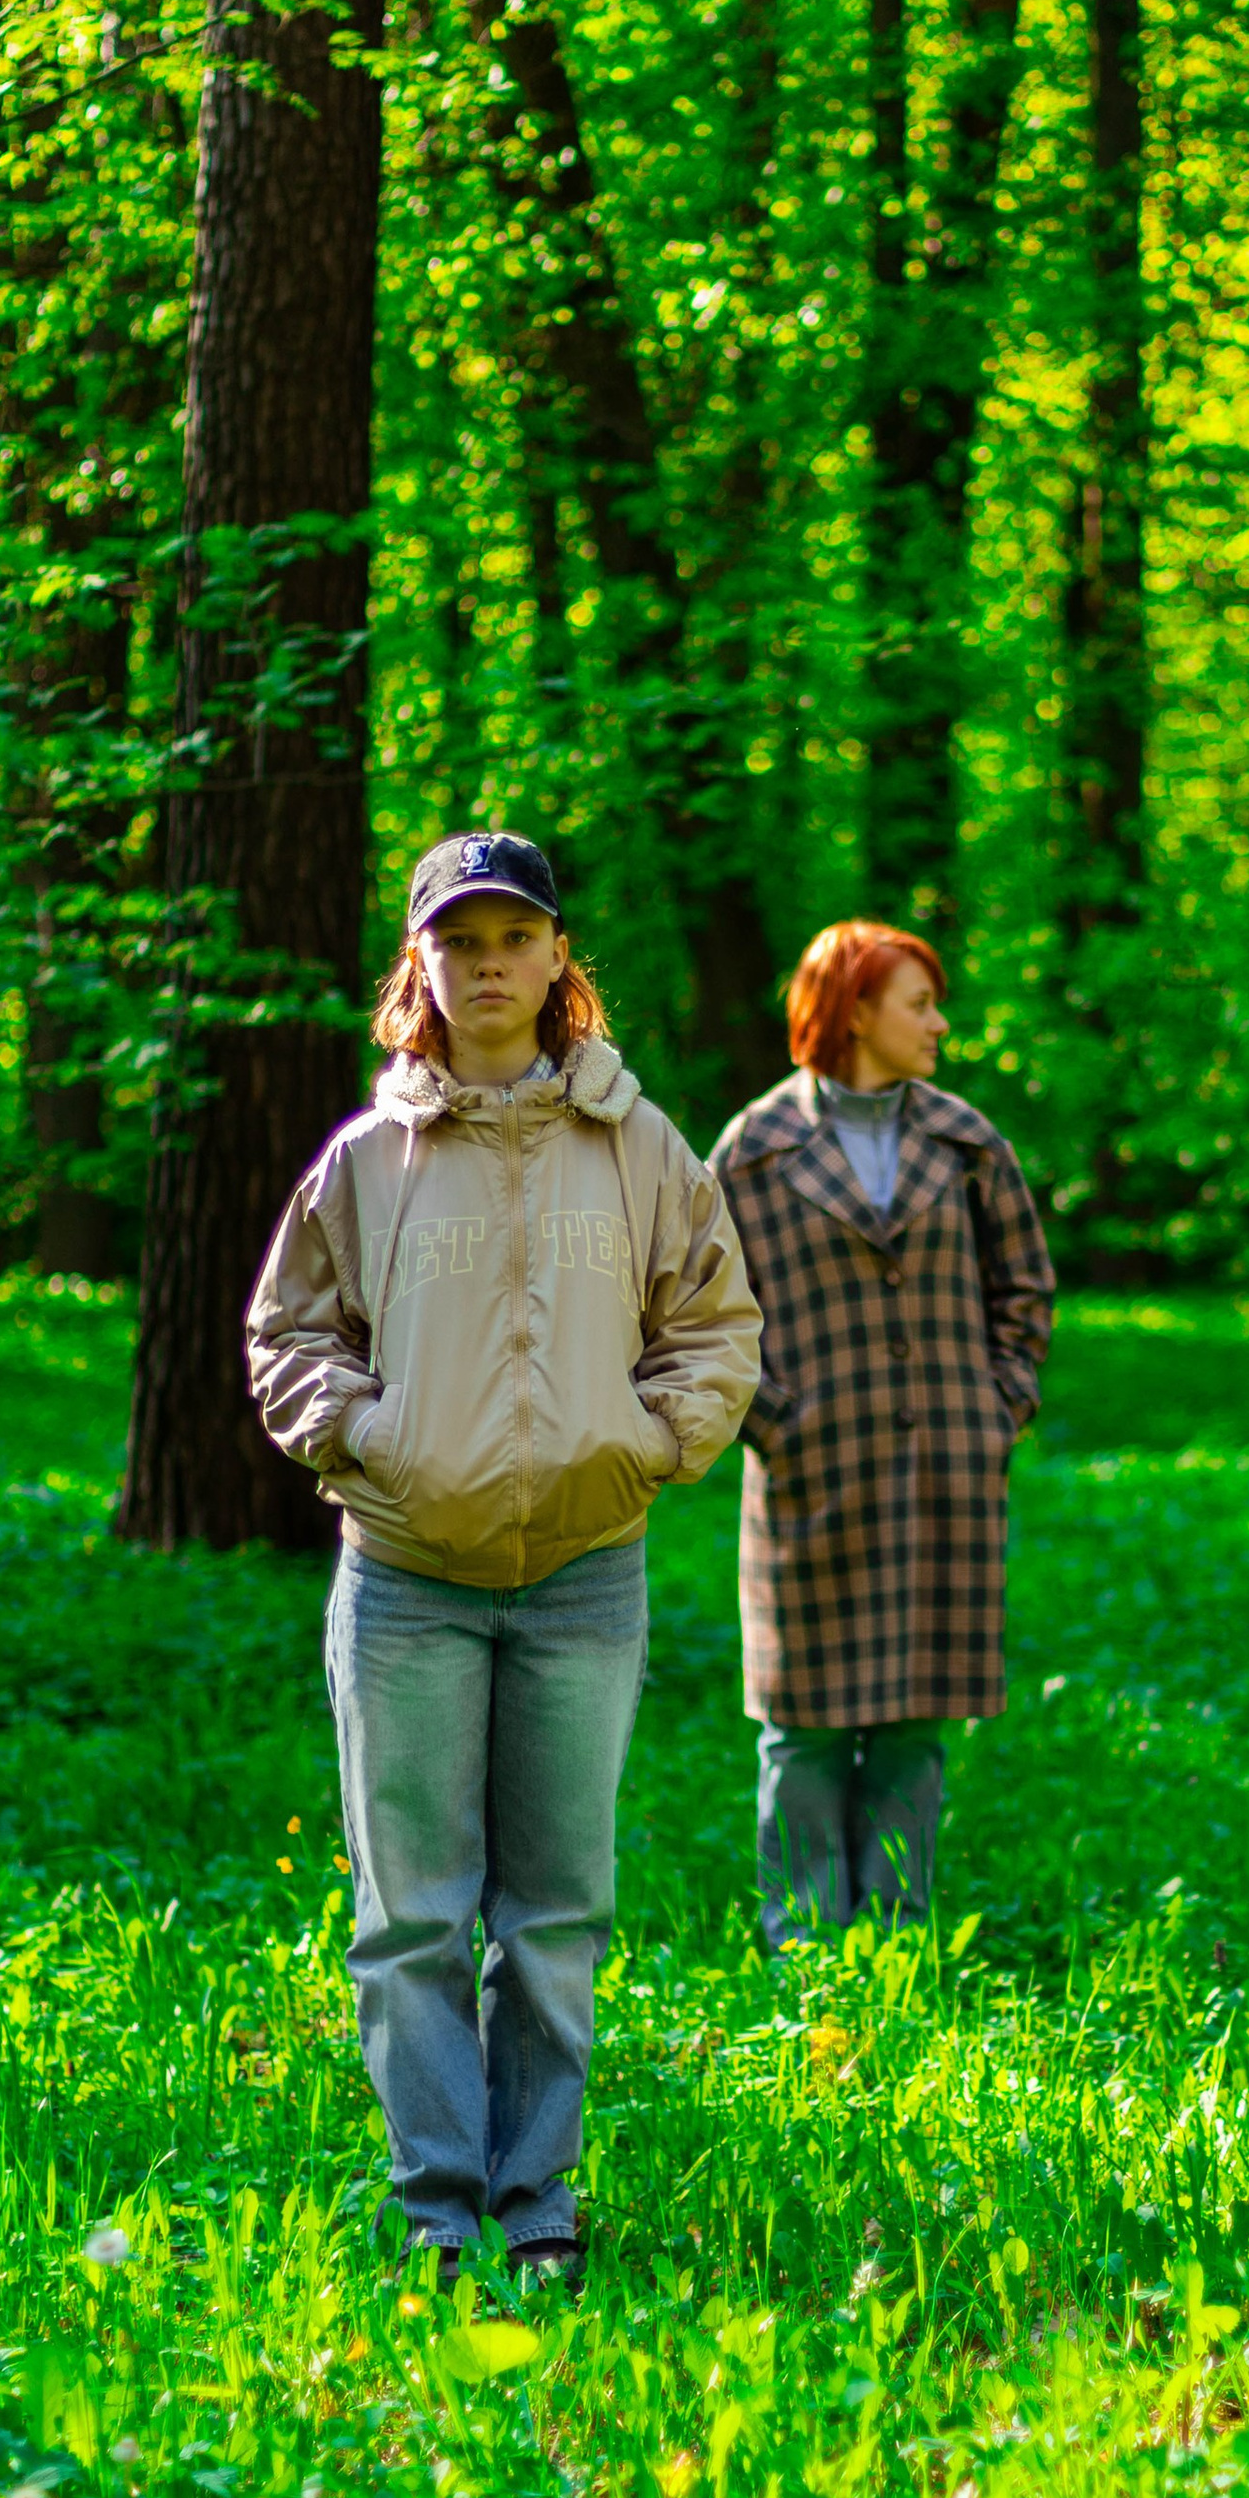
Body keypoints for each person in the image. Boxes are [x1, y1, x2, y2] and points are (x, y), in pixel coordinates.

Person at [246, 831, 761, 2283]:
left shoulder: (638, 1148)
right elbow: (288, 1334)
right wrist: (368, 1436)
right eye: (459, 942)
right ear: (420, 964)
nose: (487, 966)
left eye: (513, 939)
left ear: (555, 960)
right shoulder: (369, 1159)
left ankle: (537, 2201)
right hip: (406, 1578)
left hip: (584, 1578)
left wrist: (647, 1443)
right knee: (411, 1917)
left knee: (552, 1917)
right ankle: (437, 2205)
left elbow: (714, 1322)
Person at [709, 920, 1054, 1949]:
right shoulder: (751, 1152)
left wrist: (997, 1408)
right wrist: (776, 1421)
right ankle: (808, 1948)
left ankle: (899, 1940)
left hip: (946, 1475)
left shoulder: (968, 1142)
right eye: (920, 1004)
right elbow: (693, 1315)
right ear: (856, 1012)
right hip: (812, 1479)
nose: (939, 1024)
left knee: (916, 1721)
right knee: (803, 1729)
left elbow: (1024, 1288)